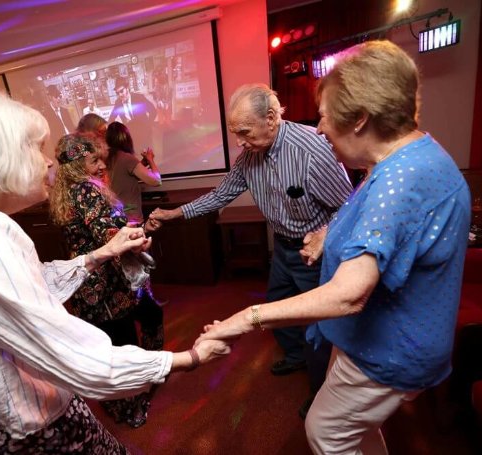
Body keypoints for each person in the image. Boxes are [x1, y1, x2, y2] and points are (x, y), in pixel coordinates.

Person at [0, 87, 230, 454]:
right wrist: (186, 359)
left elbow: (31, 284)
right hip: (23, 420)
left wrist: (100, 253)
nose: (49, 162)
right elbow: (68, 351)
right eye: (34, 148)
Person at [197, 40, 471, 454]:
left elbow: (348, 294)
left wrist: (247, 318)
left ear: (359, 119)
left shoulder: (402, 180)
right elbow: (364, 213)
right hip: (372, 341)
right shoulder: (401, 160)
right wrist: (330, 233)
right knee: (353, 431)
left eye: (324, 117)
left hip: (388, 348)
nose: (320, 129)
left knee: (326, 431)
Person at [149, 83, 352, 398]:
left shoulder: (312, 149)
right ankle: (296, 357)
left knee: (317, 328)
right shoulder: (250, 156)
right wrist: (175, 214)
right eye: (236, 135)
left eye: (244, 132)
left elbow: (349, 205)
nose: (240, 143)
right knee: (277, 304)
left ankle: (319, 395)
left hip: (315, 253)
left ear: (271, 118)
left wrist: (326, 234)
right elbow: (221, 195)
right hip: (284, 248)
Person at [49, 133, 165, 428]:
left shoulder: (69, 190)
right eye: (94, 160)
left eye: (101, 158)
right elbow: (108, 234)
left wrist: (132, 231)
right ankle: (128, 406)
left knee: (134, 327)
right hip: (104, 286)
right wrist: (137, 240)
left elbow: (105, 227)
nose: (102, 165)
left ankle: (146, 377)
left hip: (92, 283)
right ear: (76, 165)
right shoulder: (86, 191)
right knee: (119, 346)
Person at [105, 121, 162, 224]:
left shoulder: (108, 158)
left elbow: (124, 173)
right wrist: (150, 159)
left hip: (115, 214)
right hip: (130, 216)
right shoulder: (127, 158)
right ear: (126, 138)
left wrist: (142, 163)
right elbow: (156, 181)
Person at [108, 77, 157, 152]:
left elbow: (153, 110)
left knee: (149, 157)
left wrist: (148, 125)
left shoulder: (139, 98)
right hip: (132, 137)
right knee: (137, 160)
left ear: (127, 88)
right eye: (117, 93)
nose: (120, 94)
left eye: (121, 91)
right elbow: (111, 118)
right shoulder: (118, 103)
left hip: (145, 133)